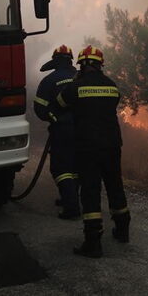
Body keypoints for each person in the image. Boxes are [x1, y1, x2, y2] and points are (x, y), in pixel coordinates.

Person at [52, 45, 130, 258]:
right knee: (115, 185)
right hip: (112, 145)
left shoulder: (76, 87)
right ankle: (123, 230)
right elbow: (113, 102)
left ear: (81, 66)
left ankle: (93, 242)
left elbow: (59, 103)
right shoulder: (112, 86)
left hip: (87, 147)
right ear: (100, 65)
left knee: (90, 191)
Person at [33, 45, 80, 219]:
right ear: (71, 60)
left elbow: (39, 108)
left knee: (61, 168)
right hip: (83, 130)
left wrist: (53, 118)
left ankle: (71, 206)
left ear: (55, 61)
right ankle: (71, 197)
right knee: (76, 166)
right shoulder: (81, 78)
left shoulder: (49, 80)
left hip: (62, 131)